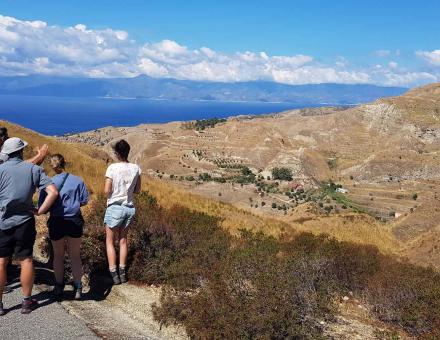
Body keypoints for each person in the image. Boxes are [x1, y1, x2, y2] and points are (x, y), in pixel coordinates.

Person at [0, 138, 58, 315]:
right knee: (26, 260)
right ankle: (26, 301)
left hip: (2, 221)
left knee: (1, 261)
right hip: (24, 222)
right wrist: (40, 210)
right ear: (21, 152)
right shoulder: (33, 169)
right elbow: (53, 192)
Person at [39, 154, 89, 300]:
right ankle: (78, 288)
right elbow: (84, 201)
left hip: (56, 221)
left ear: (52, 166)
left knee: (58, 256)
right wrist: (73, 205)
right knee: (75, 256)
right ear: (64, 162)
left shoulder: (48, 182)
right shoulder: (78, 180)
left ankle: (59, 286)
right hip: (74, 220)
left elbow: (43, 204)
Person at [104, 140, 141, 285]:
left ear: (117, 153)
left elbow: (107, 190)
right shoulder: (136, 168)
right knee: (123, 240)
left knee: (110, 241)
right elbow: (137, 190)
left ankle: (113, 274)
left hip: (115, 207)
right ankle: (123, 272)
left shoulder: (112, 168)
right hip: (129, 208)